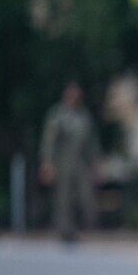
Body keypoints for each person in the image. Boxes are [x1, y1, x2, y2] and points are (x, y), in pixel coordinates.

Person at [39, 82, 98, 242]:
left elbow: (91, 143)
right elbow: (49, 140)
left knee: (84, 196)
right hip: (62, 162)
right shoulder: (57, 115)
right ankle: (66, 231)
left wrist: (96, 162)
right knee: (63, 198)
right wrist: (47, 162)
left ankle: (78, 226)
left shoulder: (84, 116)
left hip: (79, 162)